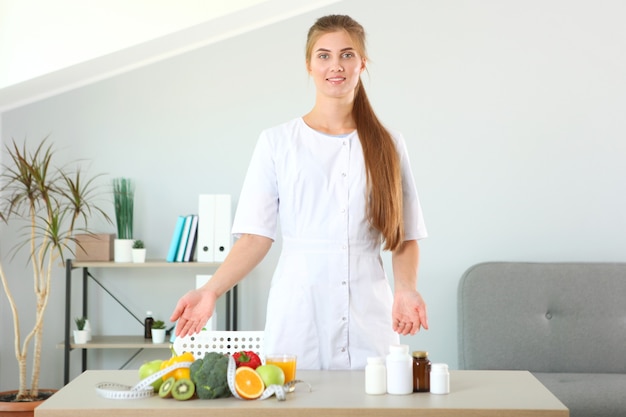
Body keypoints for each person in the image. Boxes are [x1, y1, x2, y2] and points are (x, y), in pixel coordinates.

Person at [171, 14, 428, 370]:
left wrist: (406, 288)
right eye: (323, 55)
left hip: (370, 311)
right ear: (309, 65)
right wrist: (210, 291)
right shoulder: (277, 142)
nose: (335, 65)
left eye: (347, 54)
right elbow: (255, 237)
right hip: (298, 310)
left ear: (362, 64)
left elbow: (405, 234)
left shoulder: (388, 144)